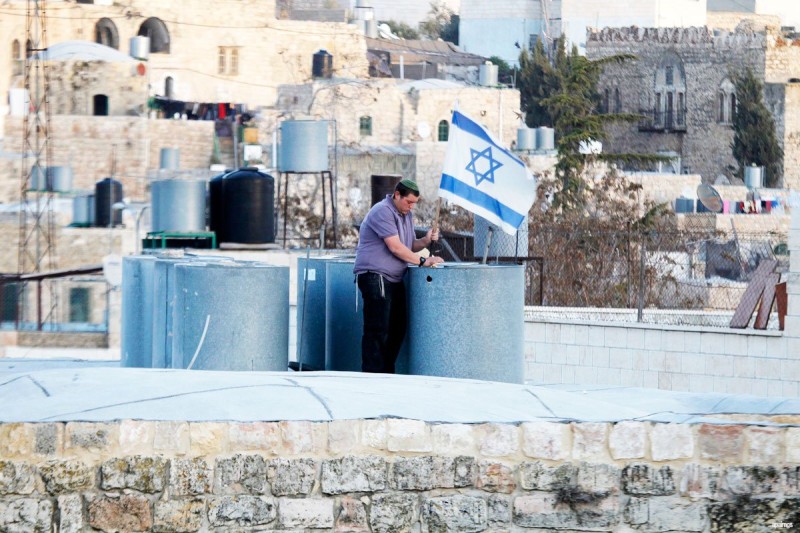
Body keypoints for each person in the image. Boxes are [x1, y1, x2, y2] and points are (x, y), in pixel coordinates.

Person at [353, 179, 444, 373]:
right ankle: (372, 374)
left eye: (414, 203)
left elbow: (408, 245)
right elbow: (395, 247)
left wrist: (426, 241)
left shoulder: (406, 215)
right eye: (408, 202)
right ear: (397, 195)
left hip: (393, 278)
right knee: (378, 328)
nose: (411, 206)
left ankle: (386, 371)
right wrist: (422, 261)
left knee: (398, 328)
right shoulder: (382, 211)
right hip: (375, 276)